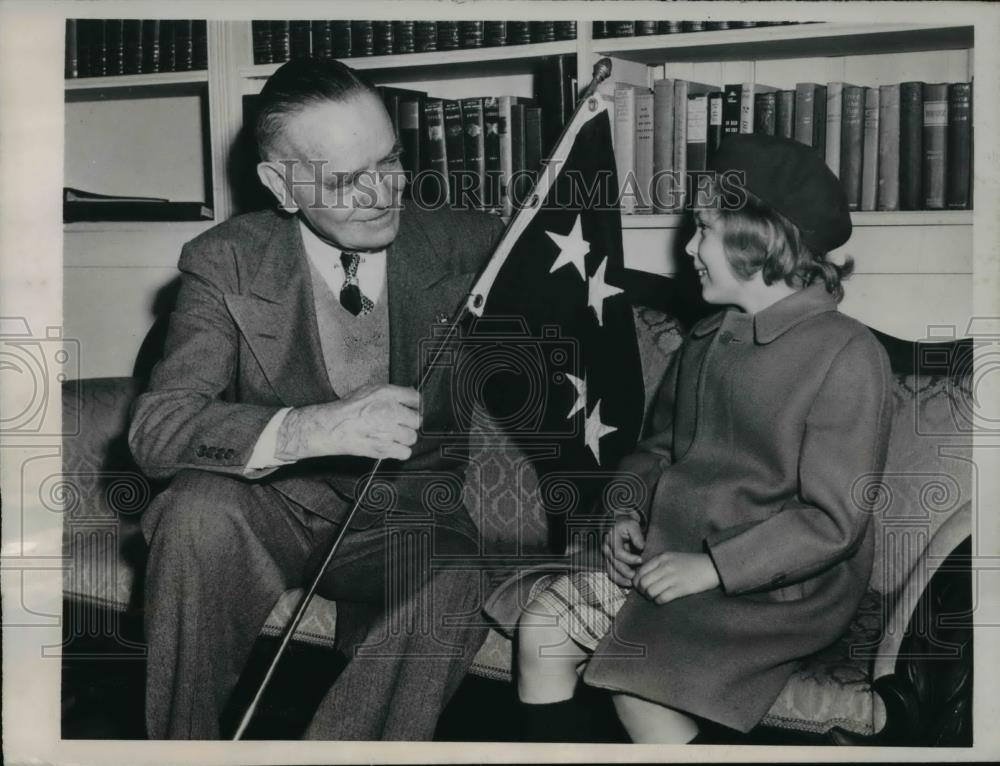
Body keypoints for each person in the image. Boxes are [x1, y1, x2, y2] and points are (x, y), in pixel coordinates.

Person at [128, 57, 505, 740]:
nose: (382, 193)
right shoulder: (227, 260)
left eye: (390, 160)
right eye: (344, 180)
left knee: (458, 573)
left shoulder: (472, 244)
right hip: (272, 504)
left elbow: (582, 323)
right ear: (280, 184)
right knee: (195, 514)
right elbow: (158, 433)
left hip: (407, 518)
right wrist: (313, 428)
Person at [510, 134, 894, 743]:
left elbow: (833, 523)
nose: (688, 247)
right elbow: (656, 451)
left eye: (703, 230)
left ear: (756, 237)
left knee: (638, 686)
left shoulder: (848, 355)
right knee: (541, 631)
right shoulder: (708, 336)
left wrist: (712, 568)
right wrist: (623, 510)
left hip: (780, 589)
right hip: (676, 555)